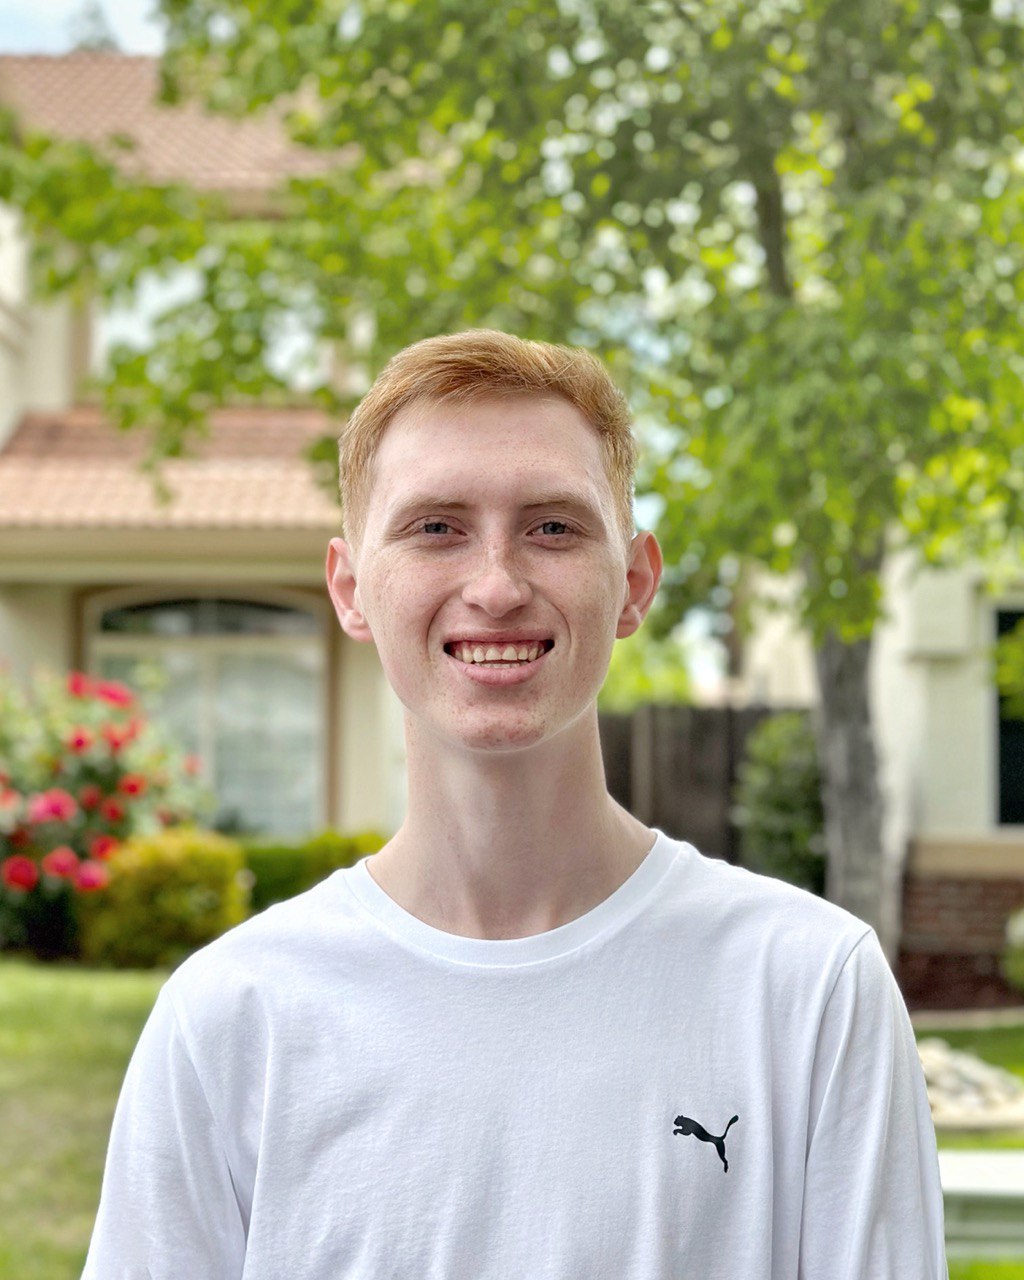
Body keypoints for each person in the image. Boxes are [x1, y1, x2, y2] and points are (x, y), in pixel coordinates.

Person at [82, 329, 948, 1279]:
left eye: (553, 527)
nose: (495, 586)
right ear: (350, 588)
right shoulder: (231, 1019)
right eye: (435, 527)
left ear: (636, 582)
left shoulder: (810, 990)